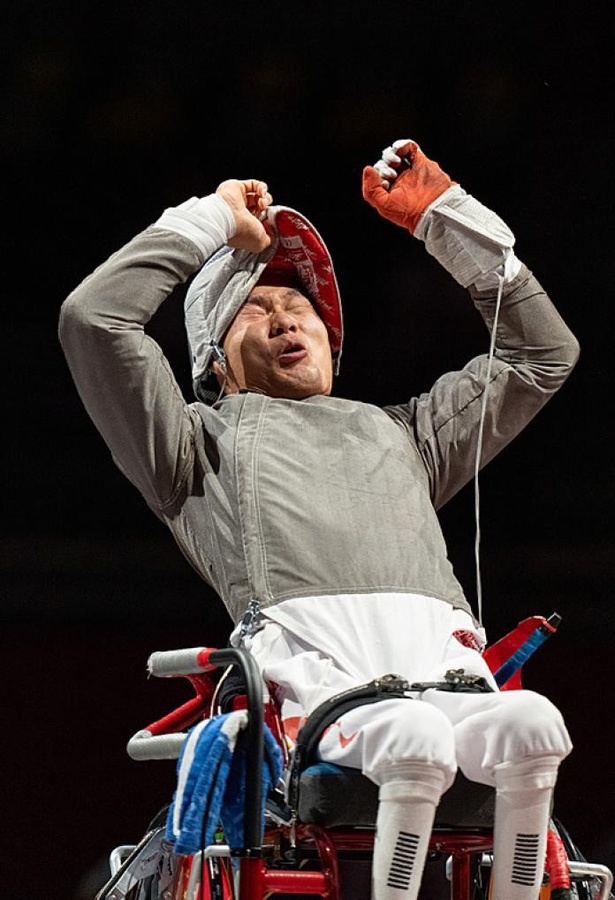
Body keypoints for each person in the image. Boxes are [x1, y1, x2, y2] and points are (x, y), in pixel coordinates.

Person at [59, 138, 579, 900]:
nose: (284, 318)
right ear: (212, 361)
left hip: (444, 666)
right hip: (317, 682)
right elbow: (93, 320)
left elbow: (542, 354)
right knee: (413, 740)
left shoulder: (404, 434)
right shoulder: (190, 442)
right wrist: (210, 221)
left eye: (296, 304)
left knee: (534, 724)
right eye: (255, 309)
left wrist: (448, 221)